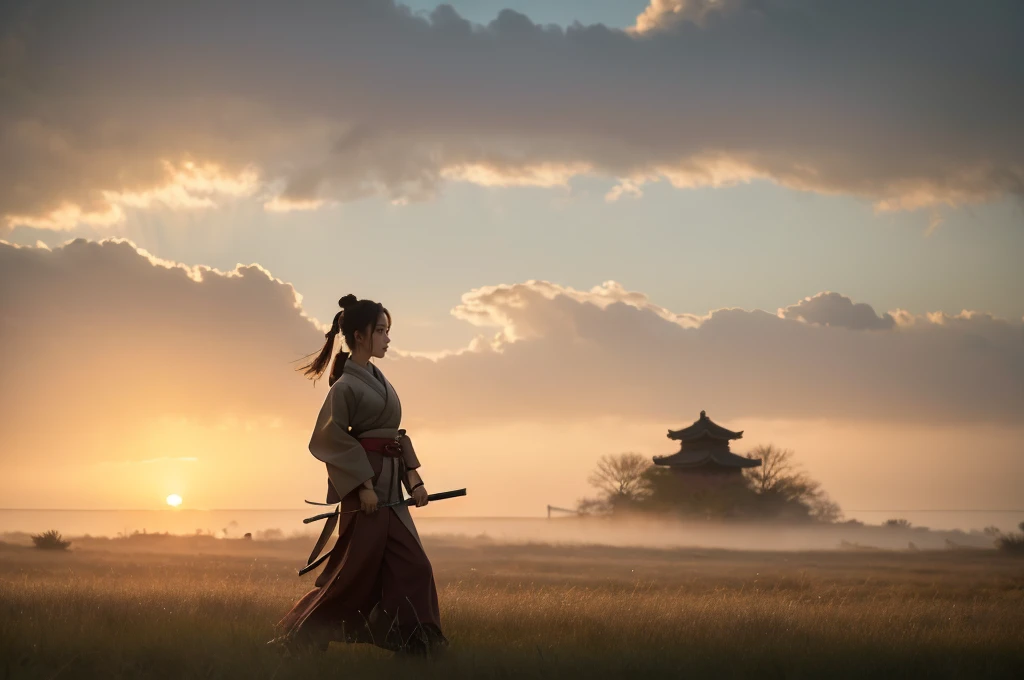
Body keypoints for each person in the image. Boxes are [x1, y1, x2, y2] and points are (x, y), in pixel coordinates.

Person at [272, 294, 447, 656]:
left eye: (387, 331)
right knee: (353, 573)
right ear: (360, 334)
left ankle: (417, 641)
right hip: (365, 495)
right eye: (380, 331)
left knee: (415, 565)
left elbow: (396, 438)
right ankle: (300, 636)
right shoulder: (345, 387)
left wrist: (414, 479)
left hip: (391, 494)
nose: (386, 338)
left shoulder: (379, 380)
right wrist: (363, 486)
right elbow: (330, 438)